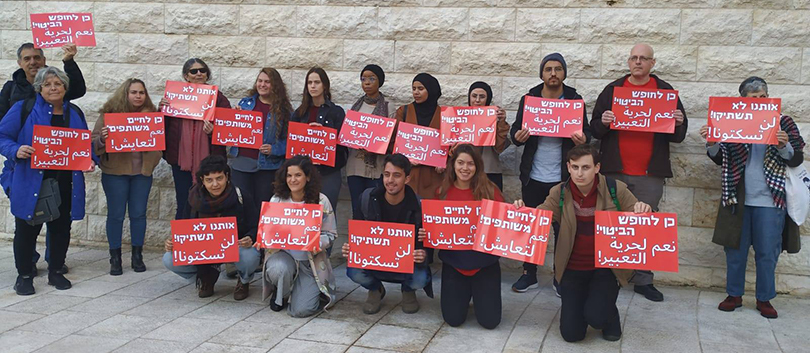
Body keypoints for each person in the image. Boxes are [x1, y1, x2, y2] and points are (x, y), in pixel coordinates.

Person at [589, 43, 688, 302]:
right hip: (614, 170)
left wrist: (678, 122)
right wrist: (604, 122)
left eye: (644, 58)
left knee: (646, 226)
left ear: (652, 63)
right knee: (611, 223)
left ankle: (644, 280)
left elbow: (679, 135)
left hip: (649, 174)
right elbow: (594, 129)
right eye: (634, 57)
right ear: (628, 61)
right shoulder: (612, 90)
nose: (638, 62)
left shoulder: (665, 91)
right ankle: (610, 276)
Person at [701, 77, 805, 319]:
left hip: (771, 200)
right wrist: (712, 143)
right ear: (743, 101)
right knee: (734, 250)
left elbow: (796, 159)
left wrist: (783, 145)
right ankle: (734, 294)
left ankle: (764, 298)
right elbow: (720, 158)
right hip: (737, 197)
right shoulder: (731, 119)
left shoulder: (783, 122)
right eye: (754, 98)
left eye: (763, 97)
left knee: (768, 252)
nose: (760, 102)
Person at [528, 144, 651, 342]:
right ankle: (589, 303)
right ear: (568, 167)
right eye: (575, 167)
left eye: (585, 167)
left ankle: (609, 315)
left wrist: (644, 209)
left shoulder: (615, 189)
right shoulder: (559, 192)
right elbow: (539, 216)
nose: (579, 173)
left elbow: (643, 220)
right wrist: (521, 211)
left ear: (597, 167)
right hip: (572, 269)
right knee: (572, 335)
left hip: (605, 269)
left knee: (596, 317)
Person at [0, 67, 96, 295]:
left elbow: (84, 145)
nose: (53, 88)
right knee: (27, 229)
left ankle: (56, 271)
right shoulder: (24, 108)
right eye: (47, 84)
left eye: (58, 84)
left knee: (61, 228)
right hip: (31, 180)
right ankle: (24, 275)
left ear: (65, 87)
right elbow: (2, 136)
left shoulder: (75, 113)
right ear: (39, 88)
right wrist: (16, 150)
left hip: (65, 182)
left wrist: (90, 159)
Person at [509, 53, 591, 294]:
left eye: (558, 69)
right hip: (533, 176)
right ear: (542, 74)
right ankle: (529, 274)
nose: (553, 73)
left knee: (562, 229)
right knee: (531, 227)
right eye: (548, 69)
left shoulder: (575, 99)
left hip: (563, 178)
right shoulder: (530, 99)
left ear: (564, 73)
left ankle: (560, 276)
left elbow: (587, 133)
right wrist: (518, 137)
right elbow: (516, 131)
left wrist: (583, 139)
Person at [342, 153, 432, 314]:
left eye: (397, 175)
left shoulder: (419, 206)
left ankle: (408, 290)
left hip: (405, 264)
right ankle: (375, 289)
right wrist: (351, 248)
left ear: (407, 179)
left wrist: (423, 253)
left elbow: (425, 247)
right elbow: (358, 235)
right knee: (354, 271)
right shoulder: (367, 199)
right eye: (387, 174)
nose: (390, 180)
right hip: (375, 262)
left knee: (421, 278)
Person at [162, 155, 261, 300]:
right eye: (209, 180)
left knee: (249, 256)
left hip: (236, 248)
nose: (215, 184)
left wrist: (250, 237)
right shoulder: (193, 199)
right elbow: (184, 227)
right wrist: (174, 242)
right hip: (203, 251)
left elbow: (256, 225)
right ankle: (205, 279)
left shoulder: (241, 196)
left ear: (227, 177)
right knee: (169, 258)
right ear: (202, 180)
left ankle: (244, 281)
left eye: (219, 178)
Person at [431, 144, 507, 329]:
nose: (465, 168)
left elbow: (505, 225)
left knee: (490, 322)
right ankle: (465, 294)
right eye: (460, 163)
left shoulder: (490, 191)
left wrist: (517, 210)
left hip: (485, 264)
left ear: (477, 166)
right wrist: (429, 232)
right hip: (454, 264)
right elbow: (435, 227)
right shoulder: (441, 193)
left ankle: (478, 295)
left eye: (470, 163)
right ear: (453, 165)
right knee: (453, 320)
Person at [92, 78, 162, 275]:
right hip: (115, 173)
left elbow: (159, 143)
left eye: (141, 92)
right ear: (125, 94)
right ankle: (115, 257)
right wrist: (103, 139)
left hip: (142, 173)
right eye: (134, 92)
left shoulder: (152, 116)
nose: (138, 96)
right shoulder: (109, 115)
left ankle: (137, 255)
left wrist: (153, 161)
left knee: (138, 214)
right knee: (116, 215)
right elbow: (93, 143)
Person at [261, 156, 338, 317]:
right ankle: (281, 293)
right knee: (279, 269)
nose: (293, 180)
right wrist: (263, 239)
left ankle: (306, 290)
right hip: (283, 256)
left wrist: (317, 242)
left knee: (301, 311)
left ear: (308, 177)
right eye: (289, 175)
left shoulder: (321, 200)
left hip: (309, 262)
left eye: (298, 175)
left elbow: (331, 234)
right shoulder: (277, 200)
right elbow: (268, 230)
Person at [162, 58, 231, 220]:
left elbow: (228, 127)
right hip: (181, 160)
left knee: (210, 202)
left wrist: (214, 131)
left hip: (210, 161)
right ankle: (183, 235)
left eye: (202, 70)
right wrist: (162, 109)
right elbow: (163, 128)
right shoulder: (175, 96)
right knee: (183, 201)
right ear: (186, 76)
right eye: (194, 71)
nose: (199, 73)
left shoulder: (218, 98)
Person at [232, 67, 292, 211]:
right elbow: (232, 131)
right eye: (260, 81)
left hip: (268, 167)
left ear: (275, 85)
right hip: (241, 164)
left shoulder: (284, 110)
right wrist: (234, 117)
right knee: (241, 207)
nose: (262, 85)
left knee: (263, 208)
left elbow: (291, 141)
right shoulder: (244, 104)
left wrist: (274, 149)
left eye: (267, 82)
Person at [290, 67, 346, 215]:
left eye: (317, 82)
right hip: (304, 173)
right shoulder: (299, 113)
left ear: (325, 85)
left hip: (328, 173)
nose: (313, 86)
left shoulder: (336, 112)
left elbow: (343, 147)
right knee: (303, 215)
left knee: (327, 214)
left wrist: (325, 135)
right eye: (309, 83)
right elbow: (292, 144)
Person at [346, 65, 396, 219]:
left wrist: (374, 146)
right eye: (363, 79)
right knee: (357, 210)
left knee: (375, 210)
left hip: (377, 167)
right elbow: (349, 131)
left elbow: (391, 137)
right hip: (355, 167)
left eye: (371, 79)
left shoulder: (388, 106)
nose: (367, 82)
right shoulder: (356, 106)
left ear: (380, 81)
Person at [0, 43, 86, 118]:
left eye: (37, 58)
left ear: (44, 60)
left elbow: (78, 91)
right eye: (27, 59)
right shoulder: (10, 88)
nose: (33, 62)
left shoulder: (57, 86)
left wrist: (69, 62)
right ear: (20, 63)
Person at [394, 73, 444, 200]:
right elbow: (395, 140)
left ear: (431, 90)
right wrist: (405, 158)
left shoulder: (444, 115)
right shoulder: (403, 111)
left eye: (420, 89)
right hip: (408, 175)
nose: (416, 92)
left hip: (434, 177)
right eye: (414, 88)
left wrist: (444, 161)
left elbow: (450, 142)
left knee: (430, 209)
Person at [467, 81, 510, 190]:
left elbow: (499, 148)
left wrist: (501, 123)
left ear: (488, 99)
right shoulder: (459, 118)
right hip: (464, 171)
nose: (477, 100)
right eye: (474, 96)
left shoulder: (495, 119)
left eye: (482, 97)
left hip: (489, 172)